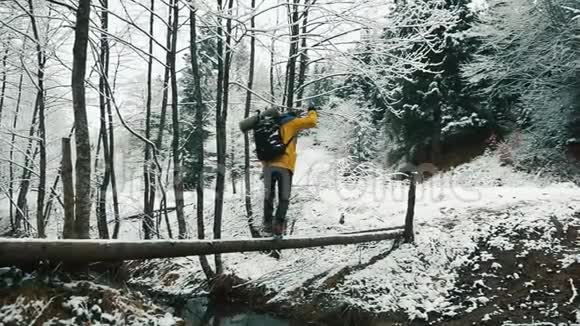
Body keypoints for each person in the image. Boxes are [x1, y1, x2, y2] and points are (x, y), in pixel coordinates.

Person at [262, 104, 318, 238]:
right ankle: (278, 226)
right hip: (285, 167)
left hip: (268, 167)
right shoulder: (290, 122)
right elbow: (311, 122)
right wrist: (312, 111)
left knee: (268, 196)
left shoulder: (269, 127)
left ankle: (267, 224)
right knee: (284, 198)